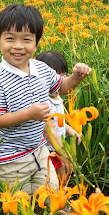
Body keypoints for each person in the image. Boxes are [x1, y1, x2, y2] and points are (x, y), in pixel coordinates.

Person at [0, 4, 91, 194]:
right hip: (9, 158)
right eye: (10, 39)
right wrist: (28, 114)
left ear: (36, 43)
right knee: (17, 203)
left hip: (39, 149)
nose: (18, 46)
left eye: (26, 39)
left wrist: (75, 77)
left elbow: (62, 87)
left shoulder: (41, 69)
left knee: (51, 192)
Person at [36, 50, 82, 188]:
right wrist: (63, 151)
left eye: (63, 77)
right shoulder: (44, 102)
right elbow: (48, 130)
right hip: (50, 149)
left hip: (59, 145)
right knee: (56, 175)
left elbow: (59, 122)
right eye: (55, 79)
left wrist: (70, 130)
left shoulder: (57, 96)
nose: (59, 83)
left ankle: (61, 196)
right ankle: (58, 200)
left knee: (64, 173)